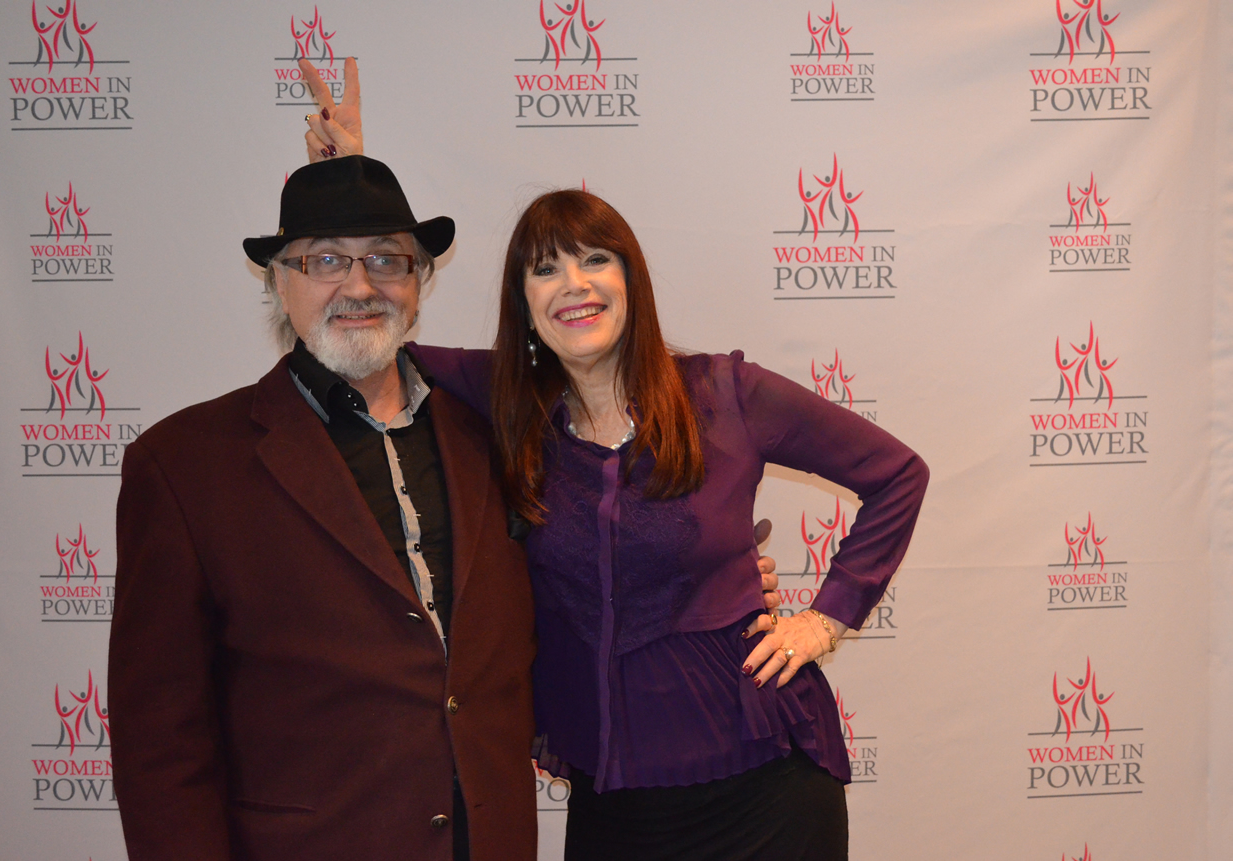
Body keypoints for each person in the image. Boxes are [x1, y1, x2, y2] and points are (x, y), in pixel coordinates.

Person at [302, 64, 928, 861]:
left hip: (766, 785)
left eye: (595, 259)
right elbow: (363, 335)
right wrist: (349, 195)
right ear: (525, 305)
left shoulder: (726, 394)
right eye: (545, 268)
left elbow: (897, 474)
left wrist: (825, 618)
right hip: (614, 803)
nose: (574, 284)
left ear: (630, 279)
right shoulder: (505, 403)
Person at [108, 154, 538, 861]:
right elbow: (159, 740)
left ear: (420, 281)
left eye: (387, 259)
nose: (360, 286)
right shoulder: (183, 465)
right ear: (280, 281)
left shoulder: (493, 433)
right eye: (326, 260)